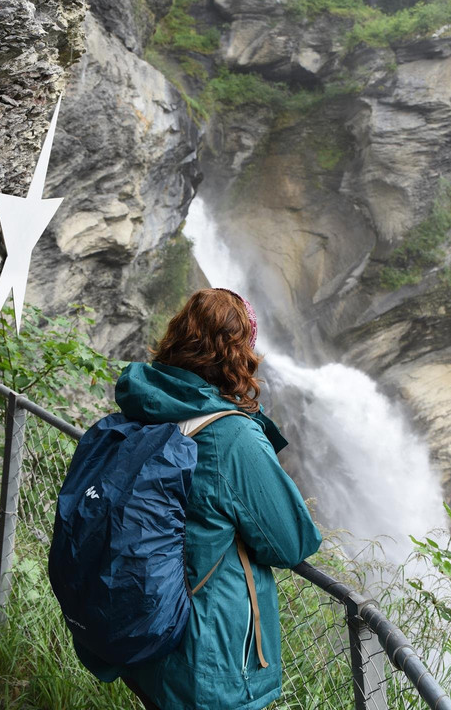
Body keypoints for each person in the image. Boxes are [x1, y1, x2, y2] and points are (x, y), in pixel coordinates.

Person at [113, 288, 322, 710]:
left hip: (147, 626)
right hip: (208, 654)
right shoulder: (232, 436)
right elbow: (291, 542)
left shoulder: (145, 406)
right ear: (241, 352)